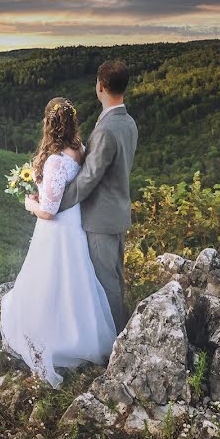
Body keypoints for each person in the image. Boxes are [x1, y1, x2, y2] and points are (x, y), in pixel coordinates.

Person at [0, 97, 117, 388]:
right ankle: (83, 334)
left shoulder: (54, 161)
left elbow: (49, 212)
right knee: (74, 279)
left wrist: (29, 204)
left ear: (48, 125)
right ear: (72, 123)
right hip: (75, 225)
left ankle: (57, 341)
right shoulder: (80, 150)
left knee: (49, 280)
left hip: (56, 230)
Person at [55, 59, 138, 334]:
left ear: (100, 86)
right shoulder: (128, 122)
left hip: (101, 218)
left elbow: (90, 176)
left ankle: (118, 344)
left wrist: (57, 203)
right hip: (118, 212)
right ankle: (120, 334)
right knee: (115, 278)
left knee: (106, 283)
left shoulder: (106, 129)